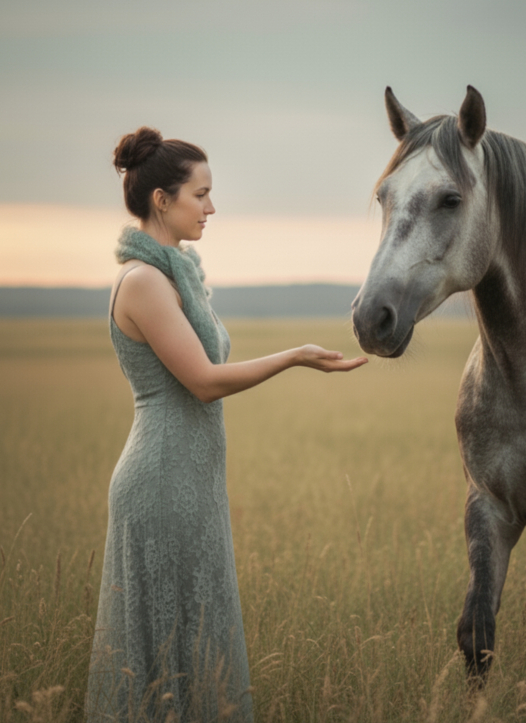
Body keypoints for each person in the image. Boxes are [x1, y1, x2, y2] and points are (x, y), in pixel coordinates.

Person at [86, 127, 367, 722]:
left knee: (195, 640)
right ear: (162, 199)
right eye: (201, 194)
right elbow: (204, 382)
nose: (212, 208)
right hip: (160, 483)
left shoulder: (176, 275)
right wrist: (294, 356)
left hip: (192, 481)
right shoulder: (144, 283)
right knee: (164, 649)